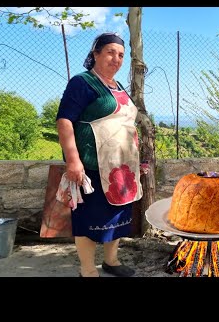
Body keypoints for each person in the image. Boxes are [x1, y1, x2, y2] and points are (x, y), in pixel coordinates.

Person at [56, 32, 144, 277]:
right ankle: (88, 270)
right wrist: (73, 160)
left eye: (121, 55)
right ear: (95, 54)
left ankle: (111, 261)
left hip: (121, 168)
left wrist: (139, 161)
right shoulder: (82, 83)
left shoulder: (119, 86)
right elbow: (64, 122)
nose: (116, 59)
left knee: (117, 216)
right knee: (89, 219)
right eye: (110, 52)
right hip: (92, 165)